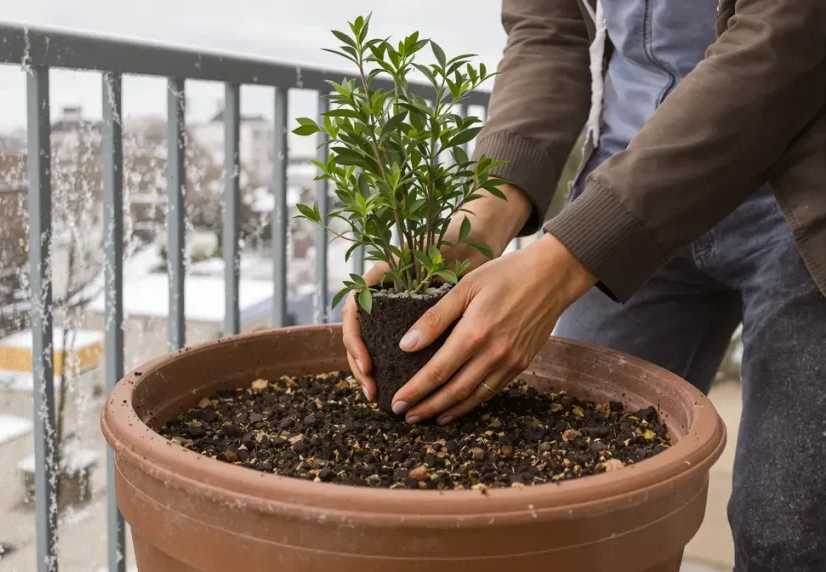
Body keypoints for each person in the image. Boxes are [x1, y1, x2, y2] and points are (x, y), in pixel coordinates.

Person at [342, 1, 826, 570]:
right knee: (578, 507)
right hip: (626, 173)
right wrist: (482, 214)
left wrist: (566, 261)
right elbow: (549, 29)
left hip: (802, 190)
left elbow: (788, 33)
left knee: (789, 533)